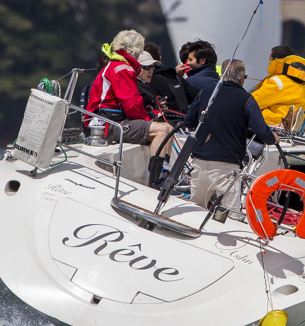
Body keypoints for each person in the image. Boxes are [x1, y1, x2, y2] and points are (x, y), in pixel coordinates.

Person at [181, 59, 277, 210]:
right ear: (240, 77)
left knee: (195, 209)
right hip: (226, 167)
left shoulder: (206, 92)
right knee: (231, 214)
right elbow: (262, 132)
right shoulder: (247, 99)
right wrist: (273, 138)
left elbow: (188, 122)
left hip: (199, 162)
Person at [86, 29, 173, 186]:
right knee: (163, 130)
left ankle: (162, 171)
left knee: (167, 128)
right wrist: (148, 119)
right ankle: (157, 179)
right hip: (111, 126)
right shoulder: (122, 68)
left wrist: (148, 116)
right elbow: (132, 105)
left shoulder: (115, 65)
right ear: (136, 50)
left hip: (107, 123)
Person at [252, 45, 305, 129]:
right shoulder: (304, 84)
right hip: (292, 129)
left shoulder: (276, 82)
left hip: (271, 125)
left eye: (270, 59)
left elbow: (253, 101)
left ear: (275, 60)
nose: (269, 62)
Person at [176, 39, 221, 104]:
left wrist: (176, 78)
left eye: (190, 60)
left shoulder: (190, 82)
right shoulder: (221, 78)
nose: (188, 64)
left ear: (202, 61)